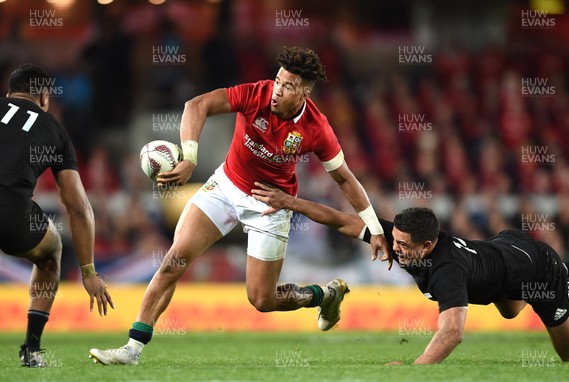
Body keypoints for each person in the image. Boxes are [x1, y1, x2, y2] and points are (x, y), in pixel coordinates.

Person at [89, 46, 390, 365]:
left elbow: (344, 179)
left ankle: (323, 295)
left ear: (304, 92)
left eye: (288, 86)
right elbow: (197, 104)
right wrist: (190, 156)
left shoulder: (317, 128)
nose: (277, 90)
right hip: (226, 185)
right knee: (173, 261)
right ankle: (132, 349)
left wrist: (374, 228)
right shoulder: (255, 94)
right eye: (278, 80)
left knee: (262, 299)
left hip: (270, 204)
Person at [249, 182, 569, 364]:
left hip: (536, 266)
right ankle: (568, 267)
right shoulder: (401, 238)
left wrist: (414, 369)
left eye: (403, 246)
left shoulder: (446, 270)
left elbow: (451, 334)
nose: (394, 249)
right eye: (394, 239)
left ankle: (564, 270)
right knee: (509, 308)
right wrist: (291, 202)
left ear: (428, 246)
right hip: (503, 253)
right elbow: (341, 219)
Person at [0, 64, 114, 367]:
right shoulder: (53, 129)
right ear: (45, 98)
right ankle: (31, 350)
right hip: (10, 218)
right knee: (51, 252)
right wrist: (88, 271)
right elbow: (77, 205)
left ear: (8, 93)